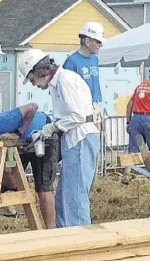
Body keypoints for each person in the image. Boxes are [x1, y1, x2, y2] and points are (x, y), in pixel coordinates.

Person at [20, 48, 100, 228]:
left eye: (32, 79)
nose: (34, 84)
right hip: (74, 139)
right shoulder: (59, 83)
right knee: (64, 197)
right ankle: (62, 237)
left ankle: (80, 244)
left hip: (80, 137)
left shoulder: (65, 81)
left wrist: (52, 127)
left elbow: (78, 116)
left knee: (75, 197)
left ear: (38, 71)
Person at [0, 109, 59, 229]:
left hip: (43, 134)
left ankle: (50, 231)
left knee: (43, 188)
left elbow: (33, 106)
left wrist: (17, 132)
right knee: (14, 175)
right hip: (24, 139)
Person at [63, 21, 105, 130]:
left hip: (94, 105)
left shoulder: (94, 59)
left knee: (95, 140)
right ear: (87, 41)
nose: (100, 45)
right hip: (80, 108)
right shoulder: (71, 61)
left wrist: (98, 112)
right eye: (98, 42)